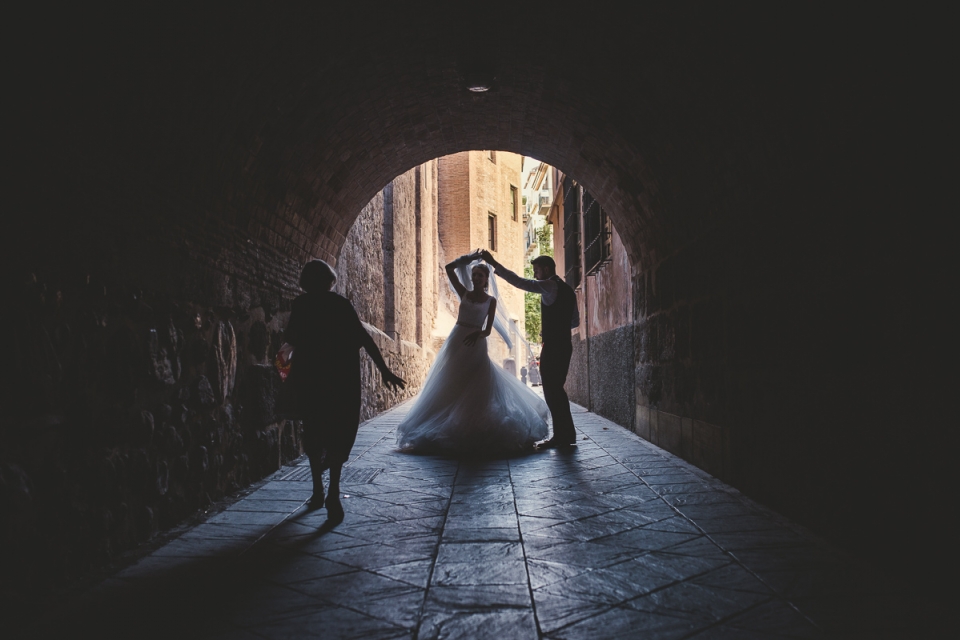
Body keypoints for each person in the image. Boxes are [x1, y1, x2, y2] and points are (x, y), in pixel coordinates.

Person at [285, 259, 405, 522]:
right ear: (329, 281)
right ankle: (334, 493)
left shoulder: (300, 305)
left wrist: (285, 374)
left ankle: (317, 490)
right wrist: (384, 371)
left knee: (314, 432)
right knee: (339, 432)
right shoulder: (339, 304)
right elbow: (364, 338)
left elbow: (289, 342)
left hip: (311, 378)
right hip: (340, 378)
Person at [396, 251, 549, 455]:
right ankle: (447, 418)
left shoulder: (490, 301)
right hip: (457, 339)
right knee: (452, 379)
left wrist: (479, 333)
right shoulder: (465, 294)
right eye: (474, 274)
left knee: (477, 382)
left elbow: (488, 329)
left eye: (480, 275)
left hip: (476, 342)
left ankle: (473, 424)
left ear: (486, 280)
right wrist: (467, 260)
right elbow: (449, 270)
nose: (476, 278)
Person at [481, 251, 579, 449]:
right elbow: (574, 321)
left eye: (536, 271)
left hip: (553, 347)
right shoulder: (568, 290)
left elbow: (519, 282)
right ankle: (566, 434)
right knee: (557, 390)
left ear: (546, 269)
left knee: (552, 391)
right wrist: (556, 328)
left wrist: (493, 263)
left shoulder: (549, 286)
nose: (535, 275)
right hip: (565, 345)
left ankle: (562, 436)